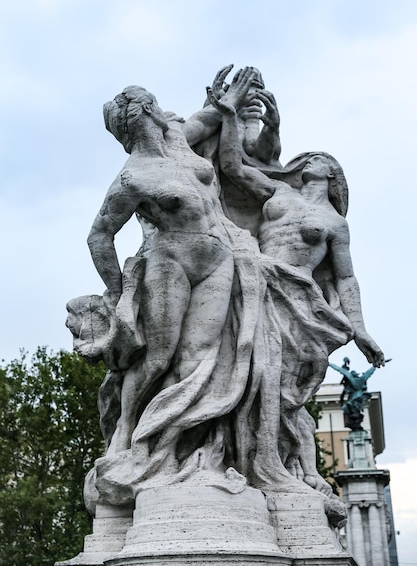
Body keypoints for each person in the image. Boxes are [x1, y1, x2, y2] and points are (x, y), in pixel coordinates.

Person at [67, 74, 266, 504]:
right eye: (153, 106)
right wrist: (119, 293)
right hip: (170, 261)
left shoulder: (178, 140)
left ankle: (183, 448)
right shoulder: (132, 178)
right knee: (158, 357)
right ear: (144, 113)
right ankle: (125, 433)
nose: (162, 111)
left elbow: (207, 116)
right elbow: (99, 236)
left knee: (199, 358)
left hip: (219, 259)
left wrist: (230, 103)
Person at [206, 83, 384, 493]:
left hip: (296, 301)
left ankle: (281, 468)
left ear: (330, 174)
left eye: (319, 159)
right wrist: (230, 117)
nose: (310, 158)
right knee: (235, 368)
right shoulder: (279, 192)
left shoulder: (335, 225)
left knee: (277, 385)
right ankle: (233, 456)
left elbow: (345, 279)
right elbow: (233, 168)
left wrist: (360, 329)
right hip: (253, 280)